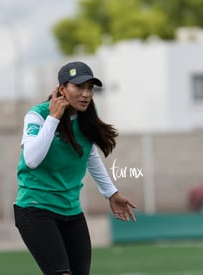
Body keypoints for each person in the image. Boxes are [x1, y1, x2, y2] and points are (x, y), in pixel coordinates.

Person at [14, 61, 137, 275]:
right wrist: (53, 118)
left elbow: (90, 156)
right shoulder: (37, 115)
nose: (86, 94)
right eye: (78, 87)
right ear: (61, 89)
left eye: (90, 88)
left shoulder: (84, 119)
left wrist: (112, 193)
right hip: (35, 209)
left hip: (70, 211)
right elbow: (32, 159)